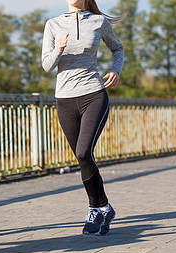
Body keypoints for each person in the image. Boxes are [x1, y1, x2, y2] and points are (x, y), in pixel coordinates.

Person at [42, 0, 124, 235]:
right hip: (65, 99)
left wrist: (115, 70)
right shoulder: (53, 24)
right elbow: (46, 65)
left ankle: (93, 208)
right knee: (83, 159)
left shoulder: (99, 22)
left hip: (94, 94)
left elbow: (117, 48)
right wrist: (58, 48)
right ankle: (105, 207)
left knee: (82, 152)